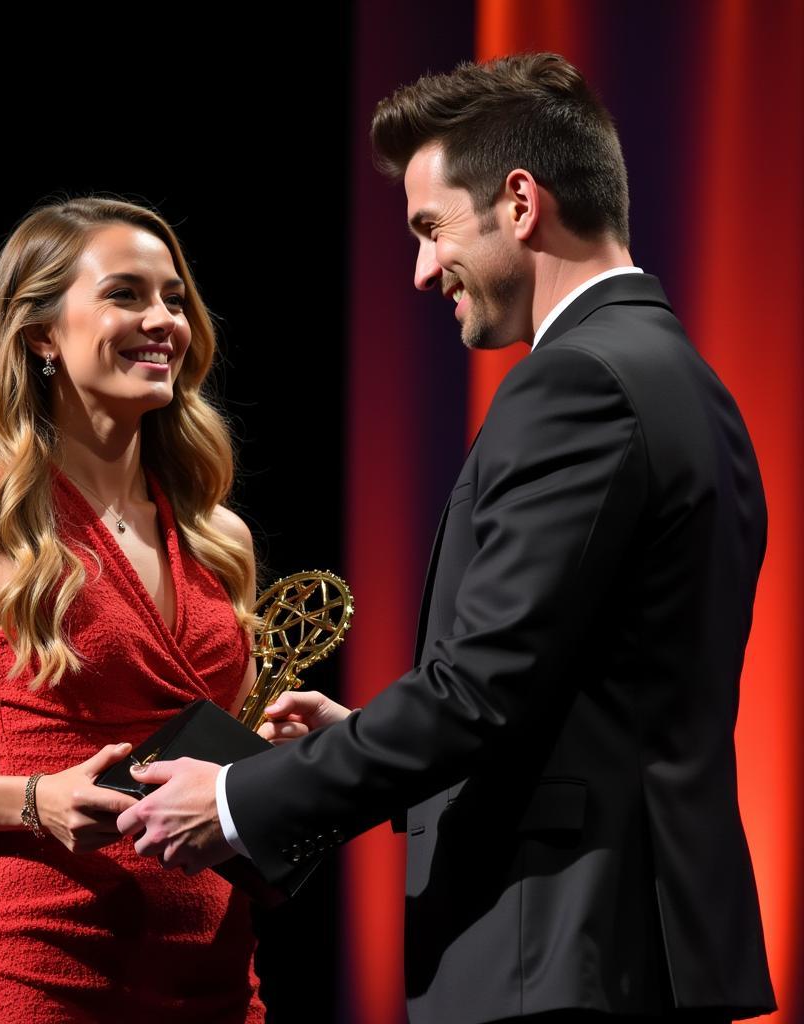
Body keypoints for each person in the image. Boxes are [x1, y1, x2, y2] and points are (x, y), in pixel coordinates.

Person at [116, 54, 777, 1024]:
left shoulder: (577, 382)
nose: (422, 270)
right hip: (633, 946)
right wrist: (361, 745)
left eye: (430, 229)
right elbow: (574, 696)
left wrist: (234, 800)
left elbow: (475, 692)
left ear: (519, 202)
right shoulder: (690, 382)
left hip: (558, 954)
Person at [0, 196, 270, 1022]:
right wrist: (35, 800)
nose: (163, 319)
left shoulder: (218, 534)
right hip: (33, 967)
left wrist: (268, 758)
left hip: (211, 971)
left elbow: (193, 758)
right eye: (126, 294)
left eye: (175, 298)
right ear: (40, 335)